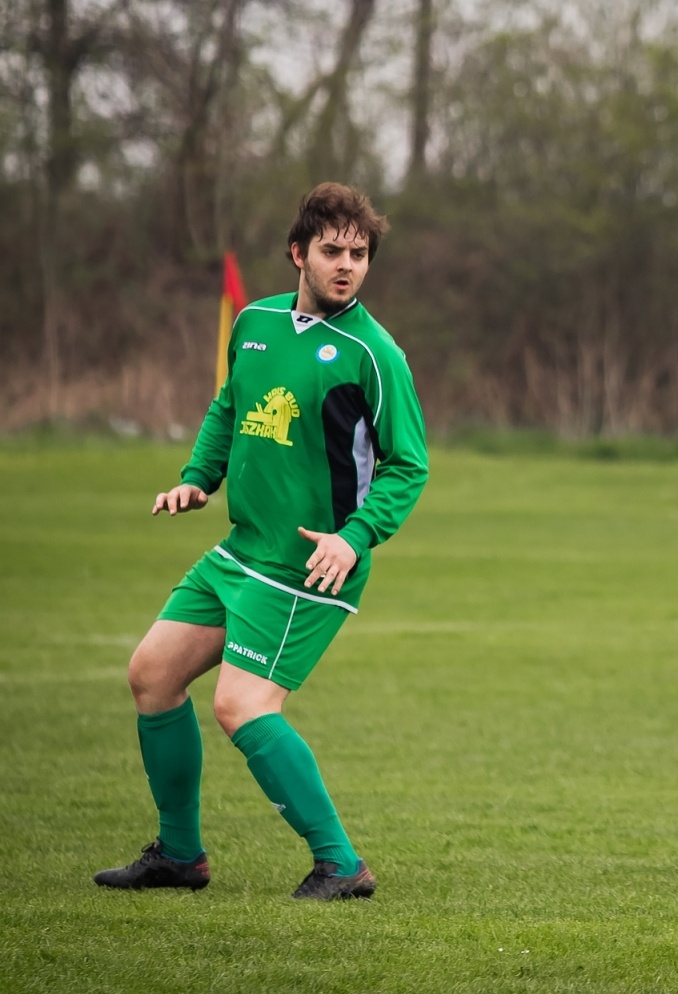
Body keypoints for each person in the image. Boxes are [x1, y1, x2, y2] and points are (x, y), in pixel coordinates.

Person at [93, 183, 428, 900]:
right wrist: (197, 478)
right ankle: (180, 855)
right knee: (152, 675)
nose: (347, 266)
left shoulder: (374, 354)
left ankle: (340, 863)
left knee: (241, 705)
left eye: (360, 254)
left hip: (308, 567)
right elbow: (230, 404)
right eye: (333, 251)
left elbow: (409, 465)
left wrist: (355, 537)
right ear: (298, 252)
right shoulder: (255, 321)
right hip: (243, 551)